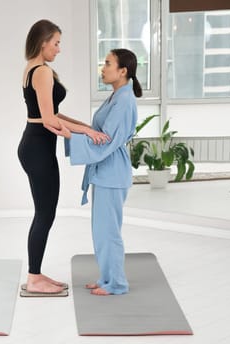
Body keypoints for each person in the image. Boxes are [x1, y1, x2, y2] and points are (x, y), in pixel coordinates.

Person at [17, 19, 109, 297]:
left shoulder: (34, 69)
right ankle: (34, 278)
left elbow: (52, 114)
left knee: (44, 212)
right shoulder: (42, 72)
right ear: (43, 42)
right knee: (45, 213)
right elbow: (48, 120)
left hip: (34, 146)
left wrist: (84, 127)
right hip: (37, 148)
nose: (59, 49)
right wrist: (84, 132)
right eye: (56, 43)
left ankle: (36, 273)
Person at [53, 48, 142, 295]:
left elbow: (108, 140)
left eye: (108, 63)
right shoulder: (116, 95)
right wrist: (66, 122)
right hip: (106, 171)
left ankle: (117, 284)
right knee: (101, 231)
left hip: (112, 173)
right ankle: (106, 278)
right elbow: (96, 131)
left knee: (108, 231)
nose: (103, 68)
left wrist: (70, 134)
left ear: (123, 71)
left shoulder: (124, 100)